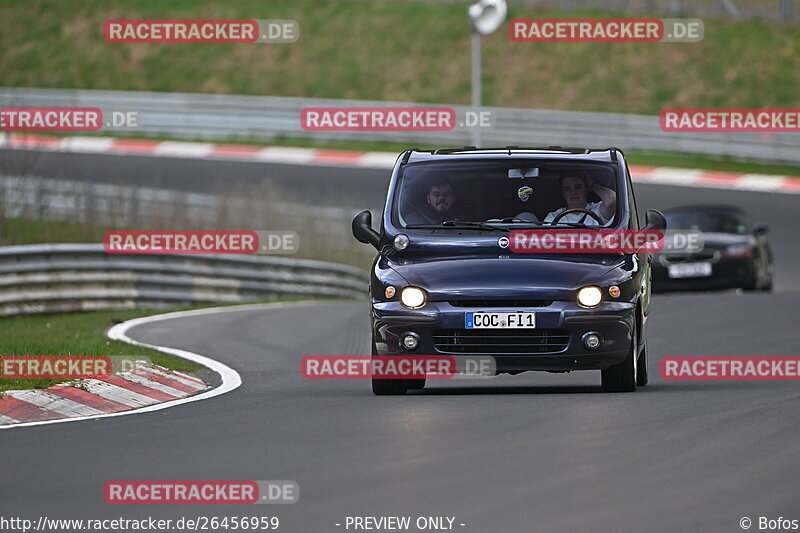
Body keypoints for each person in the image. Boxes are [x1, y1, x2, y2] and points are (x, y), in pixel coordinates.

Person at [544, 171, 616, 226]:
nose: (573, 192)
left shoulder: (597, 210)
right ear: (563, 193)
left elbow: (612, 199)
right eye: (567, 189)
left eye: (578, 187)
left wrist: (592, 185)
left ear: (586, 189)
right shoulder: (552, 218)